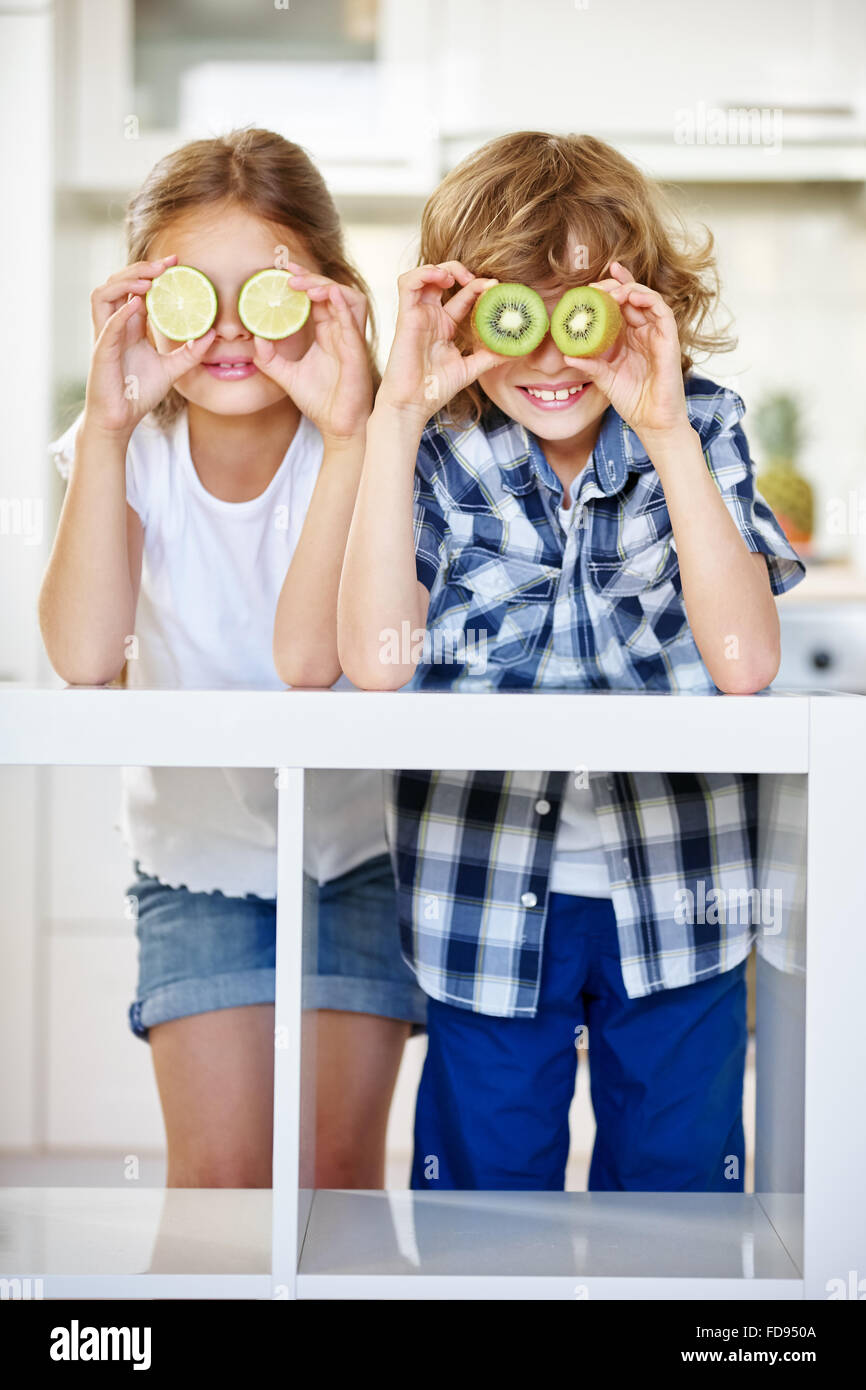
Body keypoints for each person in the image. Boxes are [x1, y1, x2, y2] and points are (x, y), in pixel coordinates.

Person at [339, 130, 805, 1191]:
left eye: (580, 312)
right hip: (481, 891)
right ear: (464, 316)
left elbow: (742, 662)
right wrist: (397, 413)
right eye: (517, 314)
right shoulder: (436, 453)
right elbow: (372, 661)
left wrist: (666, 432)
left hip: (682, 897)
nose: (551, 357)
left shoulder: (699, 427)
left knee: (678, 1205)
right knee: (483, 1208)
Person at [40, 128, 425, 1191]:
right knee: (217, 1178)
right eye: (186, 295)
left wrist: (351, 438)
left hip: (358, 859)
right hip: (195, 860)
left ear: (330, 295)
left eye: (262, 290)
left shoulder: (375, 448)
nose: (224, 329)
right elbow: (82, 654)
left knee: (338, 1176)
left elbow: (313, 663)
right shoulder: (124, 452)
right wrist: (110, 422)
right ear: (136, 302)